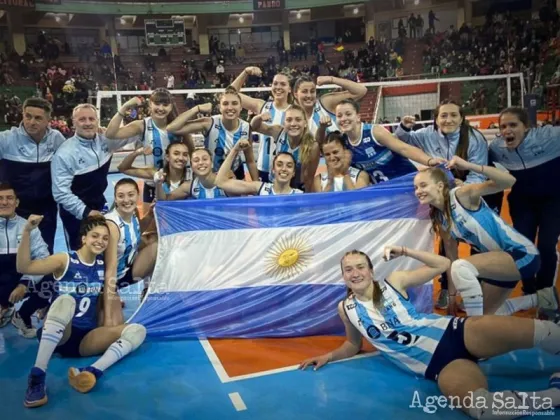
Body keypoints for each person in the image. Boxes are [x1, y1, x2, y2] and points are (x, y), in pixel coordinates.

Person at [300, 246, 560, 420]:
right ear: (343, 275)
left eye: (360, 267)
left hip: (458, 333)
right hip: (439, 366)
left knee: (547, 333)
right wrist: (328, 356)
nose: (355, 273)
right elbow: (352, 345)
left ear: (371, 270)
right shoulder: (346, 308)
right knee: (484, 408)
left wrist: (403, 250)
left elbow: (443, 263)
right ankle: (555, 394)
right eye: (348, 269)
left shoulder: (394, 282)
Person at [18, 215, 146, 408]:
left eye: (105, 238)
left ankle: (91, 371)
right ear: (84, 238)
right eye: (95, 236)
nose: (100, 241)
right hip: (60, 333)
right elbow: (24, 267)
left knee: (137, 330)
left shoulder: (101, 266)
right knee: (66, 300)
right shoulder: (65, 259)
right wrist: (27, 231)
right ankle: (37, 377)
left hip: (85, 339)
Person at [396, 100, 497, 309]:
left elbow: (479, 172)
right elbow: (404, 140)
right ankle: (447, 290)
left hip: (470, 195)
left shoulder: (474, 138)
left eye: (453, 115)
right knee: (447, 246)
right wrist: (404, 126)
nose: (448, 120)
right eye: (443, 116)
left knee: (477, 244)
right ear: (436, 118)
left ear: (461, 118)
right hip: (443, 197)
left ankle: (472, 290)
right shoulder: (427, 134)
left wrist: (462, 193)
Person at [414, 162, 546, 317]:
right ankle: (539, 299)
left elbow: (509, 181)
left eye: (423, 185)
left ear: (440, 186)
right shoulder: (440, 218)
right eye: (416, 187)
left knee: (462, 268)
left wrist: (470, 166)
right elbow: (450, 260)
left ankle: (472, 324)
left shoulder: (461, 195)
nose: (418, 191)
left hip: (522, 254)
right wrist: (451, 298)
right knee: (488, 315)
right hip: (499, 263)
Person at [490, 107, 560, 320]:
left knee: (546, 246)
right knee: (524, 246)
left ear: (527, 127)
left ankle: (546, 295)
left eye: (513, 125)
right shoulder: (495, 147)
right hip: (522, 202)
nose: (507, 130)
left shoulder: (551, 136)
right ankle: (530, 290)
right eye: (503, 126)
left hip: (553, 200)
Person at [52, 104, 137, 251]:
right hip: (74, 213)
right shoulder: (64, 154)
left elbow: (134, 133)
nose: (87, 123)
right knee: (80, 255)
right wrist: (86, 212)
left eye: (91, 119)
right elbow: (61, 193)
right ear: (73, 123)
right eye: (82, 119)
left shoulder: (106, 140)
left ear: (97, 121)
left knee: (104, 248)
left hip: (99, 203)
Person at [105, 88, 195, 211]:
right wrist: (125, 107)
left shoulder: (179, 126)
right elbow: (110, 134)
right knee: (151, 227)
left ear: (171, 106)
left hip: (179, 185)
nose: (161, 108)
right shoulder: (142, 126)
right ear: (150, 104)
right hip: (152, 183)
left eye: (165, 104)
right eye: (157, 103)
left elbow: (192, 153)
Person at [0, 97, 66, 252]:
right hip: (14, 208)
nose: (31, 122)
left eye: (38, 118)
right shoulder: (6, 139)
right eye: (28, 116)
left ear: (48, 120)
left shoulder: (56, 139)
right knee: (13, 252)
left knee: (45, 250)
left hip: (46, 208)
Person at [324, 99, 443, 184]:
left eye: (348, 114)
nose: (343, 119)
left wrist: (429, 161)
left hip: (407, 182)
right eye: (339, 116)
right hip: (383, 192)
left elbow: (404, 148)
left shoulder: (374, 132)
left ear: (358, 117)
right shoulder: (344, 143)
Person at [167, 87, 258, 181]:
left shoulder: (246, 127)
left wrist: (257, 189)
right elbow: (171, 128)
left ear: (240, 107)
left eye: (234, 103)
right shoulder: (209, 123)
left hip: (234, 174)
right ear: (219, 107)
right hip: (209, 174)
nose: (230, 107)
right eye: (225, 103)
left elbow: (250, 161)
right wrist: (196, 108)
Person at [103, 178, 157, 326]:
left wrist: (151, 215)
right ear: (115, 198)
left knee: (156, 245)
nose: (126, 200)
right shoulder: (112, 226)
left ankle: (148, 294)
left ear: (138, 195)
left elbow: (138, 230)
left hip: (124, 273)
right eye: (121, 196)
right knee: (113, 327)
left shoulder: (133, 214)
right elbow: (110, 270)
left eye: (130, 195)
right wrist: (108, 314)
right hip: (105, 282)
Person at [0, 183, 49, 337]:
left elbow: (43, 257)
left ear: (17, 202)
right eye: (0, 198)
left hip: (19, 279)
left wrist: (25, 283)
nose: (4, 202)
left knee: (52, 279)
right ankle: (3, 307)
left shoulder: (28, 226)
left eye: (9, 198)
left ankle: (22, 315)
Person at [230, 67, 292, 182]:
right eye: (275, 84)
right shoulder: (262, 106)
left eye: (283, 84)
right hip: (263, 169)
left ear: (290, 89)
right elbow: (230, 94)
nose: (278, 87)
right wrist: (245, 72)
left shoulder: (295, 112)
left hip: (286, 170)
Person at [251, 104, 320, 191]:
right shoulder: (279, 131)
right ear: (284, 123)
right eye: (289, 120)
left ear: (305, 123)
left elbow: (309, 179)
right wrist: (259, 117)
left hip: (296, 189)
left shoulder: (312, 146)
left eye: (298, 120)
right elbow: (254, 127)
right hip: (274, 184)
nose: (293, 124)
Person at [215, 141, 303, 196]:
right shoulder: (260, 188)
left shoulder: (300, 195)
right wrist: (235, 150)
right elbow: (220, 182)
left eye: (289, 166)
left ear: (294, 172)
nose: (284, 168)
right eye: (279, 165)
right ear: (273, 170)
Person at [292, 75, 367, 136]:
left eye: (312, 91)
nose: (309, 95)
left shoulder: (325, 102)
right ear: (295, 94)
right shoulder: (291, 117)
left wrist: (331, 79)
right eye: (304, 92)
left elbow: (361, 91)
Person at [118, 143, 192, 195]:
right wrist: (137, 152)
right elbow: (123, 168)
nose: (181, 158)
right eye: (176, 154)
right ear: (167, 157)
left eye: (185, 155)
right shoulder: (158, 174)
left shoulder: (193, 176)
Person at [154, 147, 228, 200]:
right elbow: (164, 199)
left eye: (205, 159)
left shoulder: (227, 183)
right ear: (192, 167)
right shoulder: (189, 186)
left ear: (212, 163)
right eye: (196, 160)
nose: (201, 163)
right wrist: (158, 183)